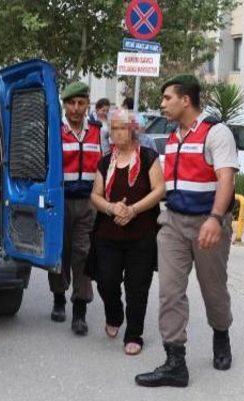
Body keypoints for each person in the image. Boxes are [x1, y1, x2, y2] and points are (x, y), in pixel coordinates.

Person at [135, 75, 238, 388]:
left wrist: (215, 219)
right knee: (170, 291)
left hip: (208, 223)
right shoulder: (173, 135)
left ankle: (221, 334)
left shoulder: (215, 133)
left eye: (167, 98)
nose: (162, 104)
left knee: (213, 288)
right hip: (174, 223)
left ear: (186, 100)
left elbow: (226, 180)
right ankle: (175, 361)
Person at [90, 109, 164, 355]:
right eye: (113, 128)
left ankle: (134, 333)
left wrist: (132, 210)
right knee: (106, 280)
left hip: (141, 234)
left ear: (133, 130)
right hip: (108, 234)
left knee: (137, 286)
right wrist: (112, 208)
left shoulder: (149, 157)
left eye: (121, 127)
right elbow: (95, 195)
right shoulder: (105, 161)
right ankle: (114, 313)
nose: (116, 132)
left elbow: (159, 190)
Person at [49, 81, 102, 336]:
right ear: (65, 105)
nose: (76, 108)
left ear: (87, 104)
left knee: (83, 253)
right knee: (60, 253)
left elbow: (106, 166)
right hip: (59, 203)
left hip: (88, 204)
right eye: (72, 103)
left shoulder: (98, 132)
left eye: (81, 103)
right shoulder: (54, 131)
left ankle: (79, 311)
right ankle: (59, 297)